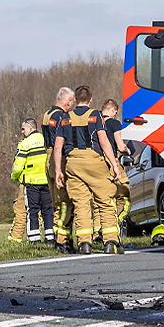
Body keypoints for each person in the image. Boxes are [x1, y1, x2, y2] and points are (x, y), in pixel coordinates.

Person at [56, 85, 121, 254]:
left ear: (75, 100)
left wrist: (58, 170)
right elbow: (104, 142)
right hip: (95, 163)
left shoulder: (65, 118)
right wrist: (114, 165)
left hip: (73, 164)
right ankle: (110, 242)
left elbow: (57, 148)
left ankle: (84, 243)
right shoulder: (96, 115)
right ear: (91, 100)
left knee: (81, 204)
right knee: (105, 202)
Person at [11, 118, 54, 244]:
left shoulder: (25, 143)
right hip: (46, 182)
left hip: (31, 183)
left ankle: (34, 239)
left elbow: (18, 166)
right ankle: (50, 237)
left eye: (23, 129)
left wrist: (14, 177)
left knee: (32, 211)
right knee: (48, 210)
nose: (22, 132)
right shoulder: (45, 140)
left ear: (30, 128)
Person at [44, 86, 76, 252]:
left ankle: (57, 236)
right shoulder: (61, 117)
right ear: (68, 101)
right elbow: (59, 143)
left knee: (56, 202)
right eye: (72, 102)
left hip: (48, 159)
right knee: (65, 202)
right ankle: (62, 241)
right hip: (58, 159)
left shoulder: (48, 114)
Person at [101, 98, 132, 240]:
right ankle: (113, 225)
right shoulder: (114, 123)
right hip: (111, 161)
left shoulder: (94, 121)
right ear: (113, 110)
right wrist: (128, 151)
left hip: (95, 162)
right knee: (124, 196)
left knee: (101, 199)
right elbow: (120, 146)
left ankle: (97, 232)